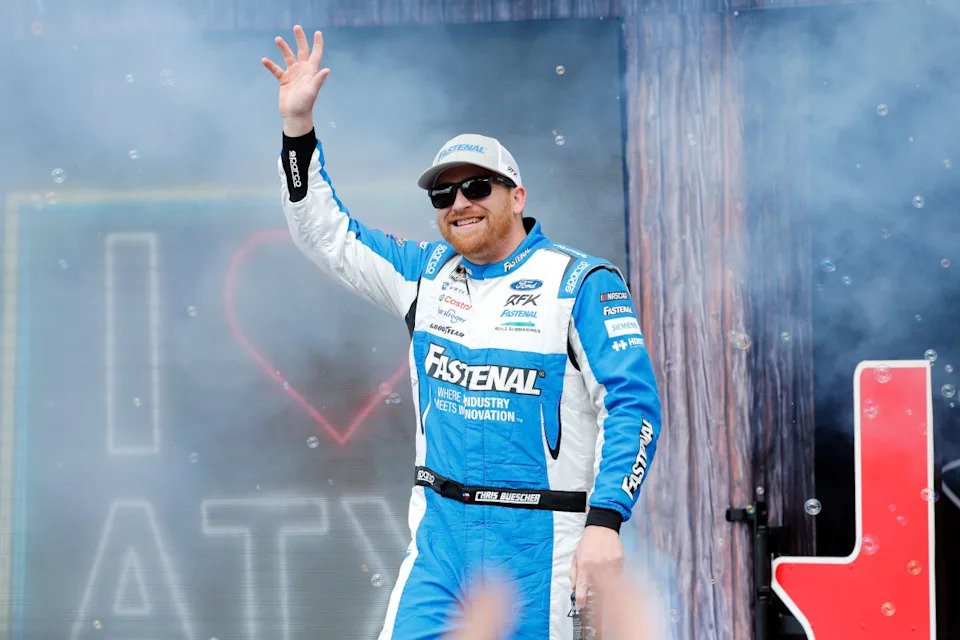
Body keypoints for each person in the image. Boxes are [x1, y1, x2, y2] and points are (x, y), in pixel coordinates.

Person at [262, 25, 662, 640]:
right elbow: (326, 236)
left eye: (477, 187)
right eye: (444, 194)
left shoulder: (581, 282)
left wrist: (606, 523)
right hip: (441, 542)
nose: (459, 203)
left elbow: (632, 406)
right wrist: (298, 127)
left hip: (540, 544)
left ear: (516, 196)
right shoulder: (425, 273)